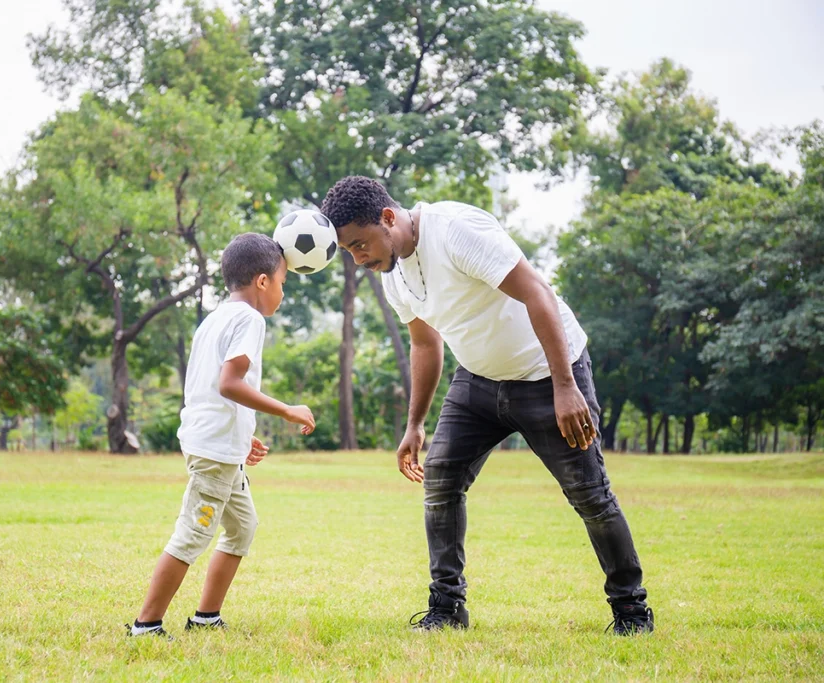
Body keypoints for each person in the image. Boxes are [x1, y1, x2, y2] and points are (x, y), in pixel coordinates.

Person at [321, 176, 653, 636]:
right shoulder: (393, 272)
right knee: (441, 479)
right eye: (349, 252)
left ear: (389, 218)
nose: (359, 259)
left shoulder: (456, 229)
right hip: (478, 381)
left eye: (360, 244)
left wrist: (564, 386)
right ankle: (447, 609)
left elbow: (537, 292)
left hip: (547, 374)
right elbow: (425, 344)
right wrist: (415, 423)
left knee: (589, 494)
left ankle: (632, 613)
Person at [128, 233, 316, 639]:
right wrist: (286, 409)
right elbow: (229, 383)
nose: (282, 291)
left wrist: (243, 433)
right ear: (263, 281)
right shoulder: (250, 318)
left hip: (219, 444)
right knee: (194, 532)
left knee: (242, 526)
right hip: (213, 452)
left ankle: (206, 617)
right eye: (282, 281)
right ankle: (146, 625)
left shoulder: (214, 318)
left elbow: (206, 388)